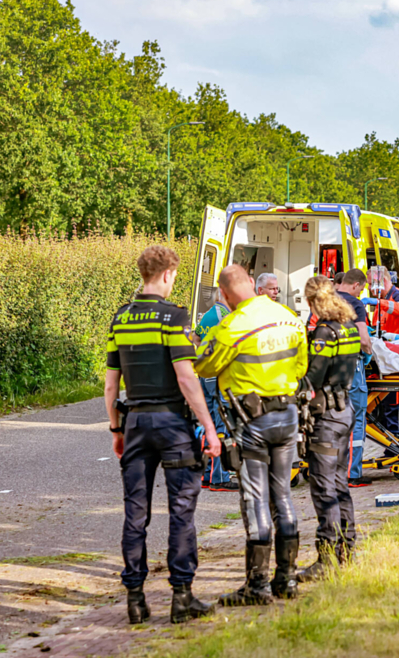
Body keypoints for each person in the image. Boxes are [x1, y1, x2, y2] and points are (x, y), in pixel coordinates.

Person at [104, 245, 220, 625]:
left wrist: (116, 429)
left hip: (135, 423)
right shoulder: (173, 316)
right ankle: (181, 597)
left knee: (135, 514)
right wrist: (209, 426)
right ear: (168, 274)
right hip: (172, 423)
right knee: (181, 512)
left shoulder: (120, 319)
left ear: (143, 274)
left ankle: (135, 600)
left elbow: (110, 386)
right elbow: (187, 378)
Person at [194, 264, 308, 605]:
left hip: (252, 422)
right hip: (288, 416)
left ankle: (257, 587)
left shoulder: (230, 326)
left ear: (225, 295)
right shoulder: (288, 316)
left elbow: (203, 365)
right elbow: (301, 366)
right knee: (283, 496)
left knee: (255, 500)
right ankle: (286, 580)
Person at [296, 276, 362, 582]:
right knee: (338, 483)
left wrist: (290, 387)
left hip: (326, 416)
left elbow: (314, 376)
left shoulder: (325, 332)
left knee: (323, 487)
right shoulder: (348, 326)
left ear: (314, 301)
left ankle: (326, 558)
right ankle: (347, 550)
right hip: (345, 409)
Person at [192, 287, 239, 492]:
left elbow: (194, 339)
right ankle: (219, 477)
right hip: (218, 375)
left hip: (205, 374)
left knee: (209, 423)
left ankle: (207, 473)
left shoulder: (207, 315)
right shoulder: (225, 316)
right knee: (222, 424)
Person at [363, 266, 399, 447]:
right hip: (387, 362)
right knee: (384, 409)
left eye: (370, 284)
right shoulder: (383, 300)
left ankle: (397, 445)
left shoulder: (396, 297)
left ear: (379, 282)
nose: (369, 289)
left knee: (392, 407)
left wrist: (379, 304)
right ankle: (391, 447)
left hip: (397, 361)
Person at [336, 269, 373, 487]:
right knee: (356, 418)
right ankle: (353, 473)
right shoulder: (355, 304)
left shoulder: (326, 301)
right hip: (352, 365)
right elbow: (364, 338)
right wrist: (369, 354)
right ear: (356, 285)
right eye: (361, 289)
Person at [363, 265, 399, 337]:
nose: (368, 287)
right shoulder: (383, 299)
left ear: (382, 281)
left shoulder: (397, 295)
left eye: (371, 284)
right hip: (390, 344)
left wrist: (378, 302)